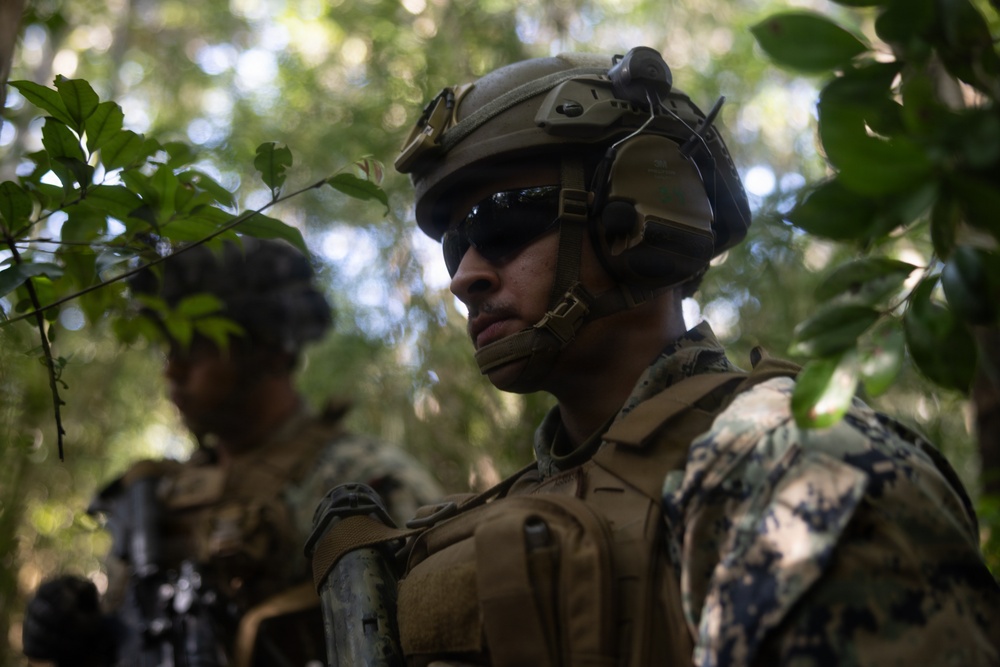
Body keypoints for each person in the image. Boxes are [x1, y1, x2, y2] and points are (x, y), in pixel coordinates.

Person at [381, 46, 1000, 665]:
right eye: (455, 246)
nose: (465, 277)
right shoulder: (509, 509)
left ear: (641, 217)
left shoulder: (797, 463)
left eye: (500, 222)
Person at [22, 237, 444, 666]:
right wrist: (89, 640)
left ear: (269, 349)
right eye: (167, 346)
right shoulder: (157, 496)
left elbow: (433, 639)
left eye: (196, 343)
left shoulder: (362, 480)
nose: (172, 368)